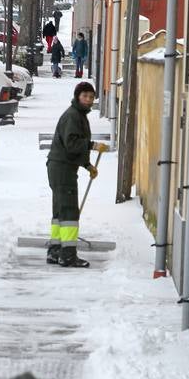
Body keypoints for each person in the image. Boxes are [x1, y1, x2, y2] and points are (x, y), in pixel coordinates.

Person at [46, 82, 108, 268]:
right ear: (77, 96)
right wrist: (92, 145)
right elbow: (72, 144)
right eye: (85, 96)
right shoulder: (73, 116)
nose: (88, 100)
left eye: (91, 97)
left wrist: (88, 165)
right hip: (63, 169)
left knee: (59, 211)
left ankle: (55, 251)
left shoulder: (77, 115)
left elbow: (71, 148)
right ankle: (68, 255)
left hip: (59, 167)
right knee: (69, 213)